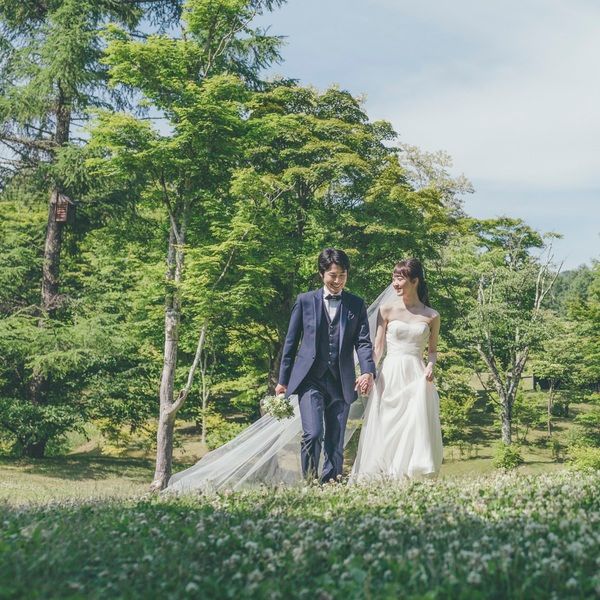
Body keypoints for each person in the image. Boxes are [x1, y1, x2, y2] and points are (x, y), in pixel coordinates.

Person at [275, 248, 376, 482]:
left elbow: (363, 343)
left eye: (342, 275)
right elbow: (290, 343)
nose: (338, 281)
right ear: (322, 274)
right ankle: (310, 483)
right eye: (333, 275)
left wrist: (368, 371)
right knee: (313, 433)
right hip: (311, 380)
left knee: (335, 440)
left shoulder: (356, 304)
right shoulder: (304, 301)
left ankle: (331, 485)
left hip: (342, 380)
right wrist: (283, 381)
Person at [350, 258, 443, 480]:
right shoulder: (386, 310)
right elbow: (378, 348)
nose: (395, 284)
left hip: (416, 376)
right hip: (390, 374)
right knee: (387, 423)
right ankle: (384, 476)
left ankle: (407, 476)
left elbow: (432, 351)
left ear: (415, 281)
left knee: (413, 425)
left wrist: (431, 365)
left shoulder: (432, 316)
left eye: (400, 279)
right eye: (394, 278)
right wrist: (368, 373)